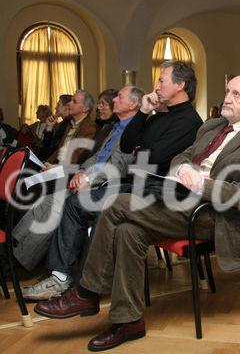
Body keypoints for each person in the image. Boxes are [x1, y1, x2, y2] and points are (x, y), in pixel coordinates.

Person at [33, 75, 240, 351]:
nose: (227, 98)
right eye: (227, 92)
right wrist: (185, 170)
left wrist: (201, 184)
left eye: (236, 94)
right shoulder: (214, 125)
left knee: (116, 202)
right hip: (181, 200)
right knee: (128, 232)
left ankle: (87, 292)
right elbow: (181, 157)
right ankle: (129, 321)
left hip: (216, 216)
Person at [14, 85, 144, 291]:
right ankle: (16, 250)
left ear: (133, 104)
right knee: (48, 198)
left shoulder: (133, 129)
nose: (114, 101)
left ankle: (39, 268)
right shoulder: (115, 126)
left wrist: (87, 177)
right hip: (89, 177)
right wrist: (82, 171)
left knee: (61, 204)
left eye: (119, 97)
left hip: (109, 185)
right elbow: (95, 156)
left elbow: (118, 166)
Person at [44, 90, 97, 166]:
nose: (69, 103)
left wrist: (55, 168)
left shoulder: (90, 128)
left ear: (85, 108)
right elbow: (59, 150)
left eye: (74, 102)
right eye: (71, 100)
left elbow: (77, 156)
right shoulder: (70, 124)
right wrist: (46, 164)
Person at [38, 94, 72, 161]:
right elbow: (47, 147)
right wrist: (49, 128)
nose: (55, 108)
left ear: (66, 107)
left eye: (58, 105)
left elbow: (54, 150)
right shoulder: (62, 124)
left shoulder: (70, 124)